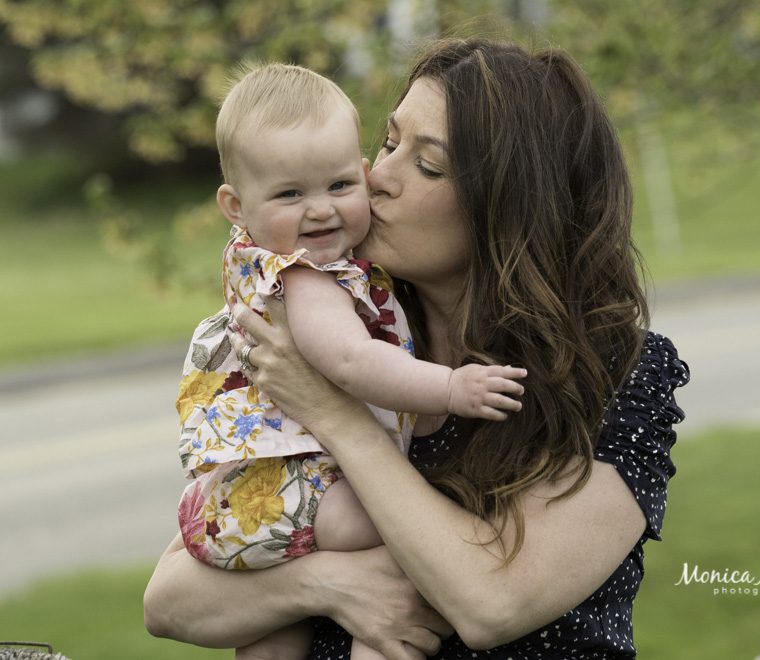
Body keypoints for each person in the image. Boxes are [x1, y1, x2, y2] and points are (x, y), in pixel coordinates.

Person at [145, 38, 690, 659]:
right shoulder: (348, 322)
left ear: (510, 206)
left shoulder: (612, 374)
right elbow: (169, 599)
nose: (378, 178)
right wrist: (325, 585)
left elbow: (491, 603)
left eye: (427, 165)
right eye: (388, 142)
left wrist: (336, 416)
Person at [174, 62, 527, 660]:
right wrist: (450, 387)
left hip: (245, 497)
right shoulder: (306, 277)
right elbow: (349, 359)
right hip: (296, 489)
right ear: (236, 205)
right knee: (409, 552)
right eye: (290, 195)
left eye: (340, 186)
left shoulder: (265, 253)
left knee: (273, 629)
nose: (320, 212)